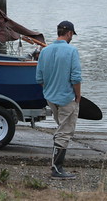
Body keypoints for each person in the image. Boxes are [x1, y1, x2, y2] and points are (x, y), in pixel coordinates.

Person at [36, 21, 82, 179]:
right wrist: (78, 95)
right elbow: (76, 78)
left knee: (61, 129)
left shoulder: (45, 51)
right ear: (69, 33)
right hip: (67, 98)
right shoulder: (72, 51)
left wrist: (50, 90)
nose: (72, 38)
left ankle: (57, 167)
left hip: (50, 97)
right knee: (64, 132)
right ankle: (57, 169)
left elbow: (39, 78)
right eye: (72, 35)